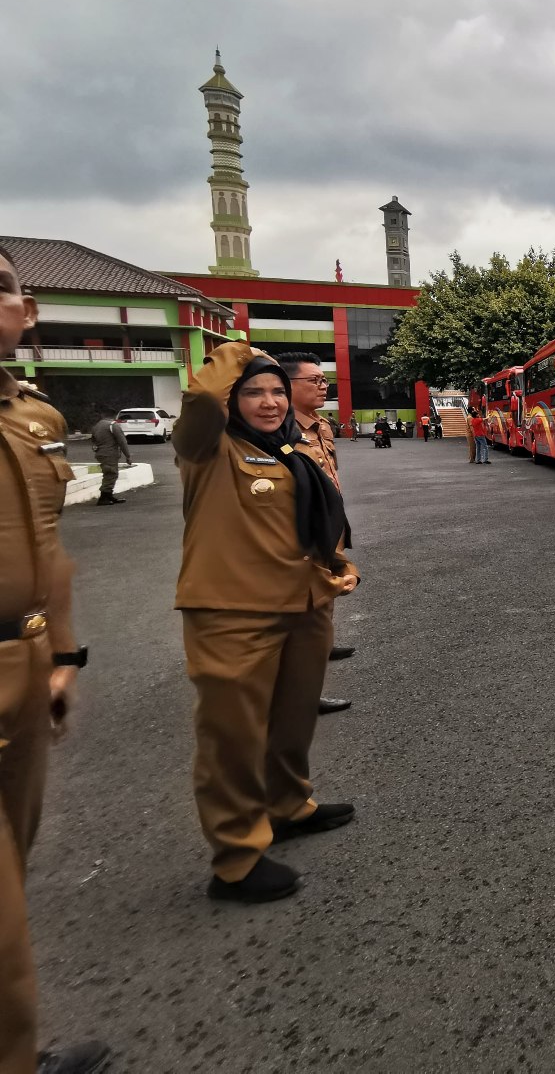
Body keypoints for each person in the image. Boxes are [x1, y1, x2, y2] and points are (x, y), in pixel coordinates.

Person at [174, 341, 359, 903]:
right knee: (233, 737)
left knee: (293, 717)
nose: (270, 402)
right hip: (235, 614)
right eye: (254, 392)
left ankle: (287, 804)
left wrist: (337, 565)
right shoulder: (208, 449)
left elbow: (305, 523)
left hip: (303, 605)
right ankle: (236, 858)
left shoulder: (288, 450)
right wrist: (240, 350)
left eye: (278, 390)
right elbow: (201, 397)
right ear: (232, 401)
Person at [1, 249, 112, 1074]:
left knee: (16, 863)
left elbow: (49, 549)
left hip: (28, 660)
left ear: (24, 311)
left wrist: (61, 653)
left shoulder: (32, 419)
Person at [275, 353, 356, 712]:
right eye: (315, 381)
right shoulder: (279, 429)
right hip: (301, 533)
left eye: (324, 380)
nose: (324, 386)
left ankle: (323, 641)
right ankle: (300, 694)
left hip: (328, 524)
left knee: (326, 592)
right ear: (287, 385)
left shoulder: (320, 425)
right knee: (300, 612)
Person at [88, 406, 133, 506]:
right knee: (111, 474)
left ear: (103, 415)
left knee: (108, 473)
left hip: (100, 453)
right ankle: (104, 497)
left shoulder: (97, 426)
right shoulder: (113, 425)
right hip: (110, 453)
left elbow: (93, 440)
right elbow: (122, 442)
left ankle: (108, 496)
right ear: (114, 415)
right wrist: (128, 456)